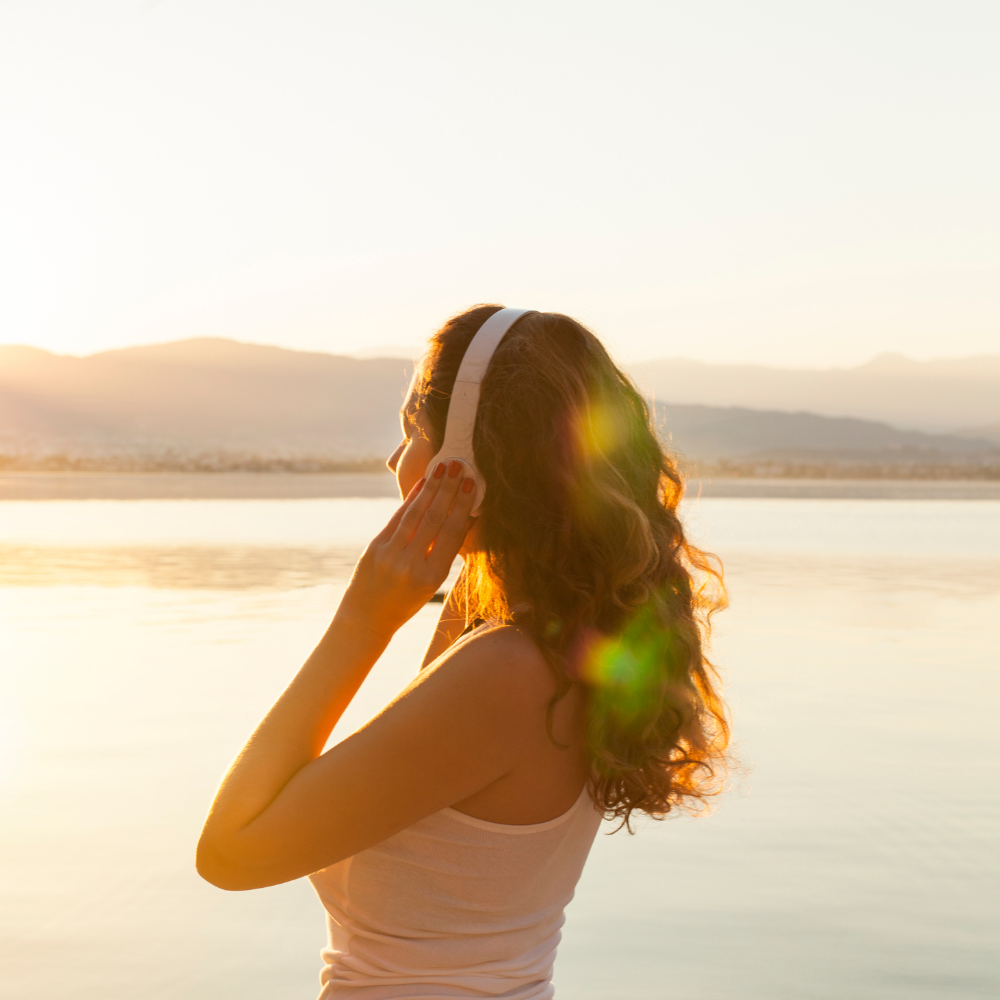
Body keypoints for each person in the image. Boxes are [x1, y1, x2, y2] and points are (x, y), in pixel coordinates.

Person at [196, 305, 730, 999]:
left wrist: (360, 623)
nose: (395, 459)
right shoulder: (559, 644)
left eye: (413, 430)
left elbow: (231, 852)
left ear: (467, 458)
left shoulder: (506, 673)